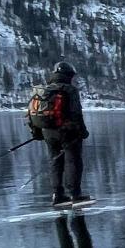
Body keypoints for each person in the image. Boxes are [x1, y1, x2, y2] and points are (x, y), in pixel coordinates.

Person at [28, 61, 91, 207]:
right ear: (68, 75)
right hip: (67, 132)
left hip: (47, 132)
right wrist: (82, 132)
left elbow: (31, 114)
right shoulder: (69, 90)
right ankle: (75, 195)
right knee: (73, 161)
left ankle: (57, 195)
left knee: (55, 162)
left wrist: (37, 133)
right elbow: (76, 114)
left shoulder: (43, 90)